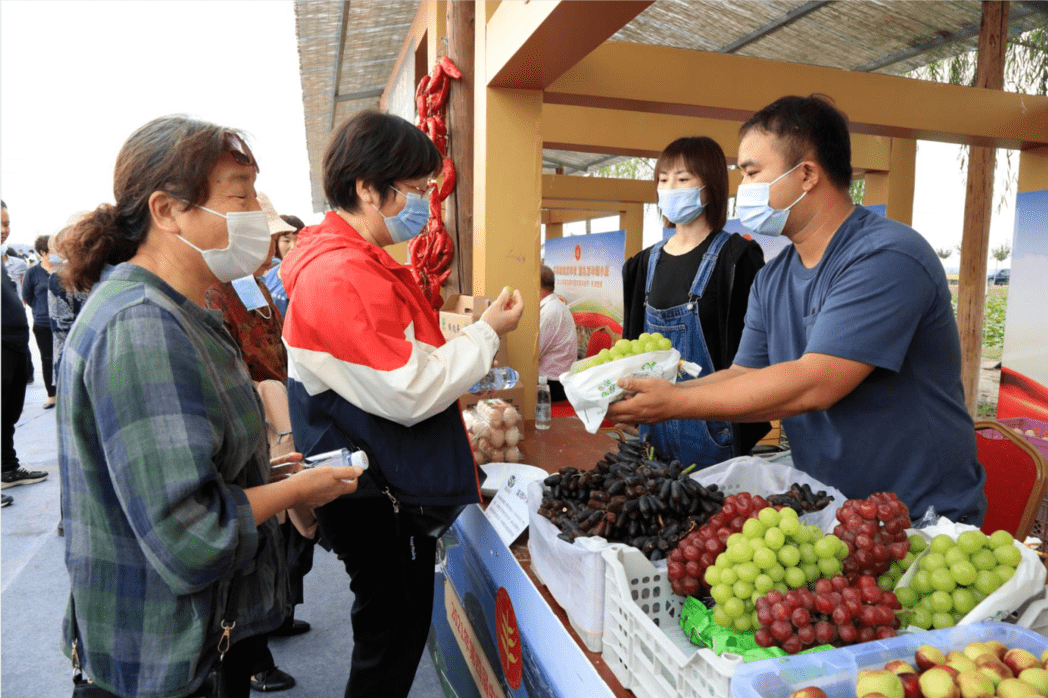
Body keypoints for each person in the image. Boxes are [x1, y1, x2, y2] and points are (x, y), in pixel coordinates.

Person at [57, 115, 362, 698]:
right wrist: (299, 492)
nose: (254, 212)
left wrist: (263, 475)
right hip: (162, 658)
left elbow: (182, 476)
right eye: (239, 192)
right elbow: (189, 534)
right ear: (167, 211)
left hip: (192, 643)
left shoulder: (186, 311)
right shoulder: (143, 325)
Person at [608, 95, 986, 525]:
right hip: (830, 509)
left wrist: (674, 403)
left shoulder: (886, 256)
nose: (744, 189)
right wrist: (654, 398)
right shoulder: (774, 278)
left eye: (752, 173)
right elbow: (743, 376)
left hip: (920, 516)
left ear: (806, 174)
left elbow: (816, 383)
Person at [281, 110, 523, 698]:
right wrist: (486, 334)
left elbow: (393, 347)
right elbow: (408, 389)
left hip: (369, 480)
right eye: (414, 191)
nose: (423, 207)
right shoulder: (340, 275)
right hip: (375, 493)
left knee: (393, 629)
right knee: (390, 636)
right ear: (368, 188)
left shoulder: (346, 262)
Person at [202, 191, 305, 693]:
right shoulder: (208, 293)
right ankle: (254, 657)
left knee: (277, 534)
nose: (272, 245)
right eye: (267, 236)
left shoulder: (252, 284)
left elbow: (275, 342)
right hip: (253, 416)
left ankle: (273, 622)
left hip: (274, 406)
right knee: (259, 533)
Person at [621, 137, 767, 467]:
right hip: (654, 432)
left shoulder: (737, 259)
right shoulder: (642, 265)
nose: (670, 188)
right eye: (663, 179)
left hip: (715, 434)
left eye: (683, 179)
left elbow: (754, 362)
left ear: (710, 188)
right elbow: (629, 351)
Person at [1, 201, 47, 493]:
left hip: (15, 344)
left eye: (6, 223)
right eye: (0, 224)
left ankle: (6, 468)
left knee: (8, 412)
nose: (5, 230)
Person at [22, 234, 57, 407]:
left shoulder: (63, 269)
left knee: (65, 357)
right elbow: (27, 295)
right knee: (47, 358)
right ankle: (52, 395)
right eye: (53, 249)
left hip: (64, 323)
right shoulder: (33, 272)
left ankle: (67, 392)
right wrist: (40, 310)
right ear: (43, 252)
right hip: (43, 323)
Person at [538, 264, 576, 401]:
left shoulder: (550, 312)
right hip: (556, 380)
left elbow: (532, 356)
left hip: (553, 384)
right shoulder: (554, 306)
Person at [262, 214, 303, 317]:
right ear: (276, 242)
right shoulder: (271, 274)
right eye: (286, 240)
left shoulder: (309, 275)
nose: (293, 246)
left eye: (298, 239)